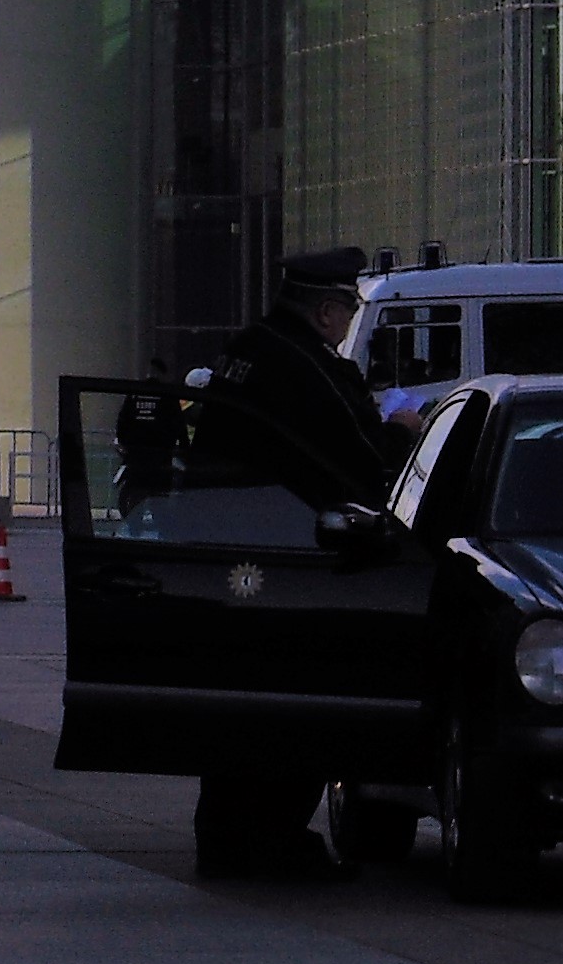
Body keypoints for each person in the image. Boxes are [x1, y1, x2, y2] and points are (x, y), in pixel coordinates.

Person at [185, 246, 413, 877]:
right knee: (297, 711)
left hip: (228, 562)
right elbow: (363, 465)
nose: (346, 328)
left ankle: (226, 837)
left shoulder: (248, 349)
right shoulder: (304, 368)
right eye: (346, 313)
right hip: (287, 568)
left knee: (238, 715)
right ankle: (271, 840)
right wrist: (405, 432)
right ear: (324, 311)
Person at [114, 362, 184, 511]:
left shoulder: (134, 393)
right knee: (160, 497)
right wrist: (184, 446)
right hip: (160, 454)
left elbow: (122, 420)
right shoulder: (167, 394)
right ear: (162, 374)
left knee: (139, 487)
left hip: (136, 453)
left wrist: (123, 442)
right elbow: (178, 422)